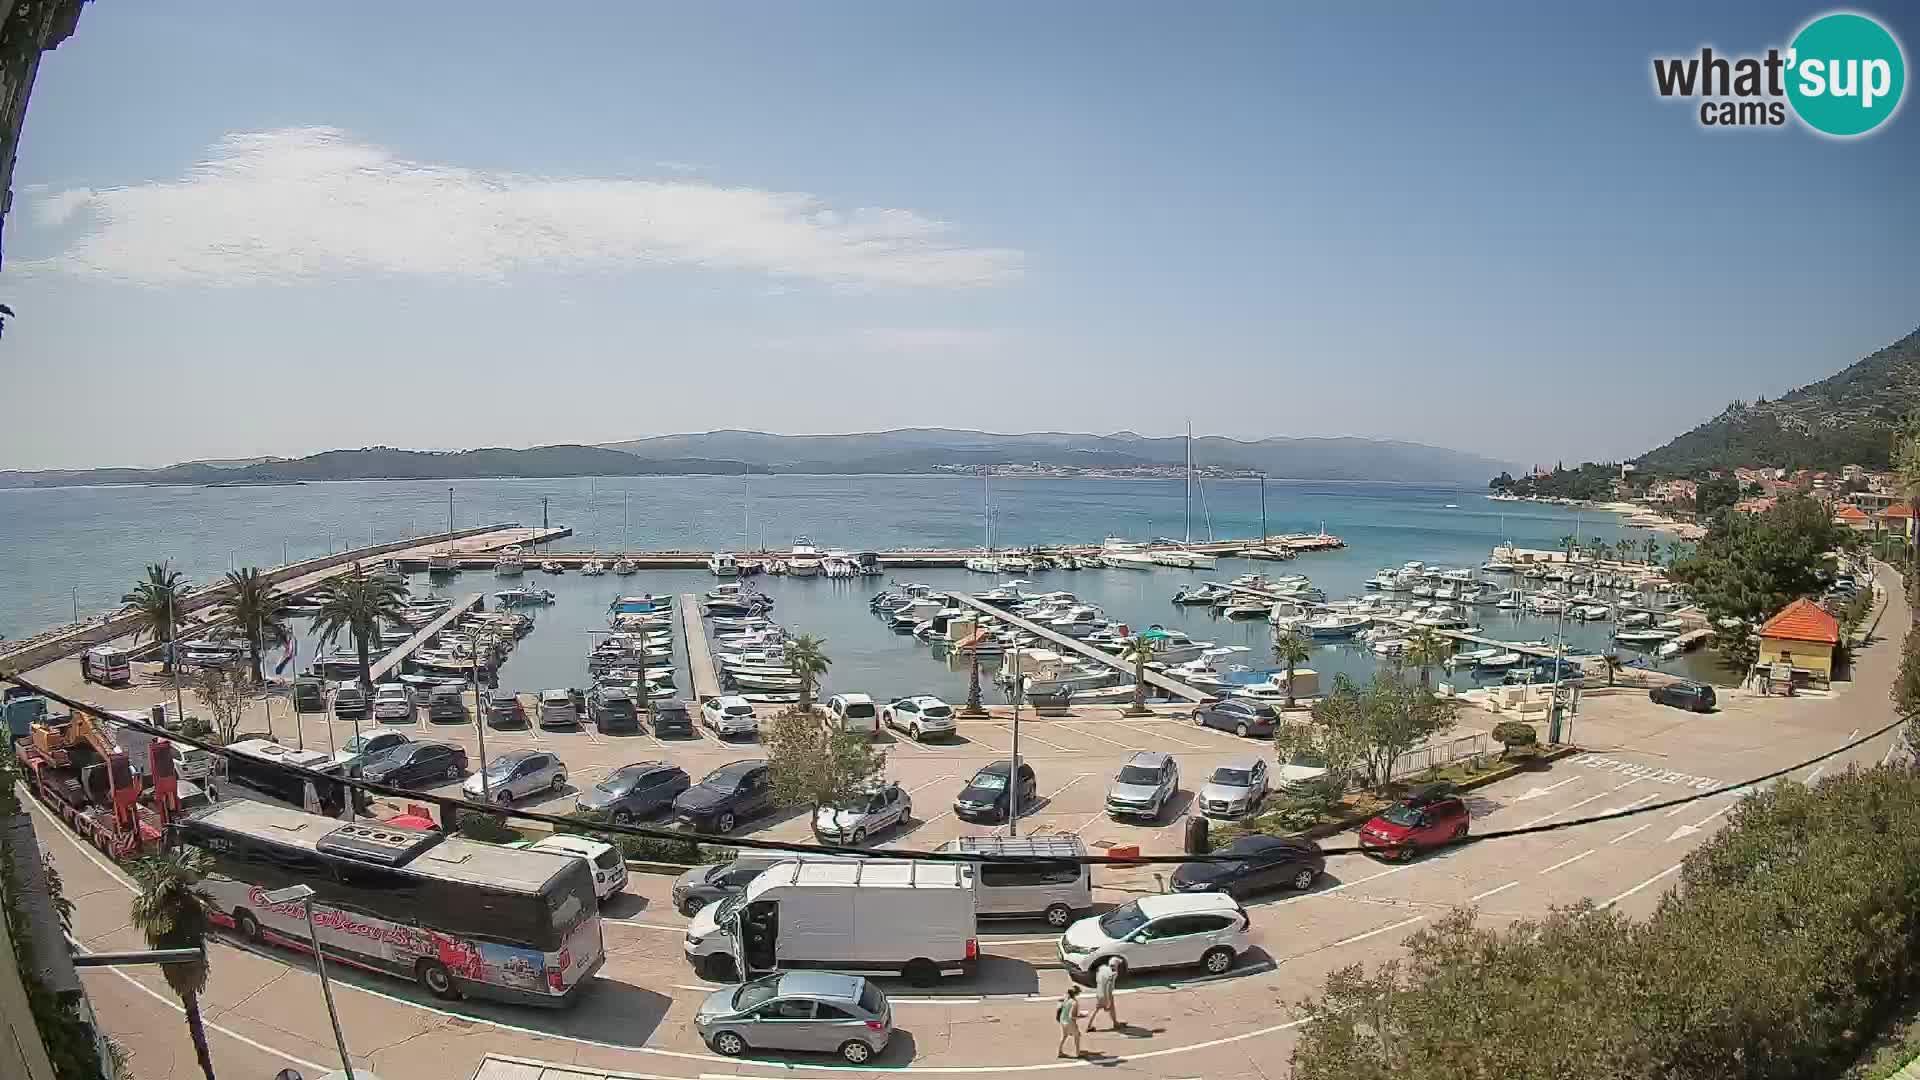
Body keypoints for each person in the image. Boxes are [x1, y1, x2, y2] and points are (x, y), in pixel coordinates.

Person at [1087, 959, 1120, 1031]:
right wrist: (1108, 1000)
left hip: (1099, 992)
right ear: (1116, 965)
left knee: (1096, 1009)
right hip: (1106, 994)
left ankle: (1089, 1025)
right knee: (1112, 1008)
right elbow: (1108, 987)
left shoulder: (1102, 968)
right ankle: (1115, 1023)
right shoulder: (1113, 974)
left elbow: (1098, 979)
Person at [1055, 985, 1083, 1058]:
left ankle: (1059, 1052)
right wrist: (1081, 1017)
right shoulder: (1074, 1002)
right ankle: (1078, 1053)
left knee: (1064, 1036)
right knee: (1077, 1036)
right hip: (1069, 1022)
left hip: (1062, 1020)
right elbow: (1072, 1016)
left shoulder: (1066, 999)